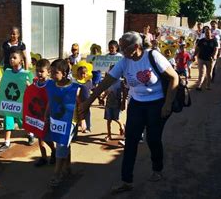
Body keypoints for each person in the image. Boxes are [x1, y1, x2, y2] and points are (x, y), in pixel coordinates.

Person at [81, 31, 179, 193]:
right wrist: (88, 101)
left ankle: (157, 168)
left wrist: (167, 104)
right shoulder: (124, 61)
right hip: (137, 104)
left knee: (153, 139)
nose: (120, 50)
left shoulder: (152, 56)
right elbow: (106, 82)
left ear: (135, 46)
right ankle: (126, 180)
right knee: (130, 141)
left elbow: (174, 77)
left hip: (157, 103)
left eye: (123, 47)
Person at [46, 59, 86, 187]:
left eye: (55, 72)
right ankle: (67, 167)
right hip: (56, 120)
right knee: (63, 144)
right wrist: (46, 114)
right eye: (51, 72)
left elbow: (80, 105)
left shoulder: (74, 88)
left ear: (63, 73)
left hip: (70, 122)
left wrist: (82, 120)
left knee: (61, 144)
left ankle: (56, 173)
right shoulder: (51, 85)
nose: (52, 75)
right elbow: (50, 101)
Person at [0, 51, 34, 152]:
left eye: (14, 58)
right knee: (7, 119)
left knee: (22, 121)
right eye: (10, 58)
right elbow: (4, 84)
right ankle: (7, 142)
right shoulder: (7, 72)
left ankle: (30, 134)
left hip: (21, 102)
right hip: (9, 102)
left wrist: (29, 86)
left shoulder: (26, 74)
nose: (11, 60)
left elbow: (32, 89)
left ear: (21, 61)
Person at [28, 59, 56, 167]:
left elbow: (52, 99)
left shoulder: (51, 84)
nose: (39, 73)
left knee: (46, 136)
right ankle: (43, 157)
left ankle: (53, 151)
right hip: (37, 113)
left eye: (41, 71)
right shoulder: (35, 83)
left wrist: (48, 113)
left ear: (48, 72)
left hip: (48, 114)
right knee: (39, 136)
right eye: (37, 71)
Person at [103, 65, 124, 142]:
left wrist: (123, 102)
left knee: (116, 118)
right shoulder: (108, 82)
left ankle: (121, 126)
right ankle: (109, 135)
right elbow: (106, 91)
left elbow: (124, 93)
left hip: (117, 103)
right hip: (108, 103)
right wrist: (102, 98)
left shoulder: (120, 82)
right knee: (108, 120)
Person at [194, 26, 219, 91]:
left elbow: (216, 49)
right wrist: (194, 55)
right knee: (201, 72)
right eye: (206, 33)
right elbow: (197, 49)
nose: (207, 34)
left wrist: (214, 56)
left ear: (211, 33)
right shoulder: (201, 41)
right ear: (204, 33)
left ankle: (208, 85)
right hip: (201, 58)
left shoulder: (214, 41)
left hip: (210, 59)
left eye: (208, 33)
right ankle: (199, 85)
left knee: (209, 73)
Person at [75, 66, 93, 133]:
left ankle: (87, 127)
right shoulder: (77, 82)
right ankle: (75, 129)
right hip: (78, 101)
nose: (83, 75)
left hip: (86, 101)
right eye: (81, 73)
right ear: (77, 73)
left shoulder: (89, 81)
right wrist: (78, 101)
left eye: (84, 73)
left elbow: (91, 90)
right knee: (77, 114)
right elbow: (77, 93)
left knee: (87, 114)